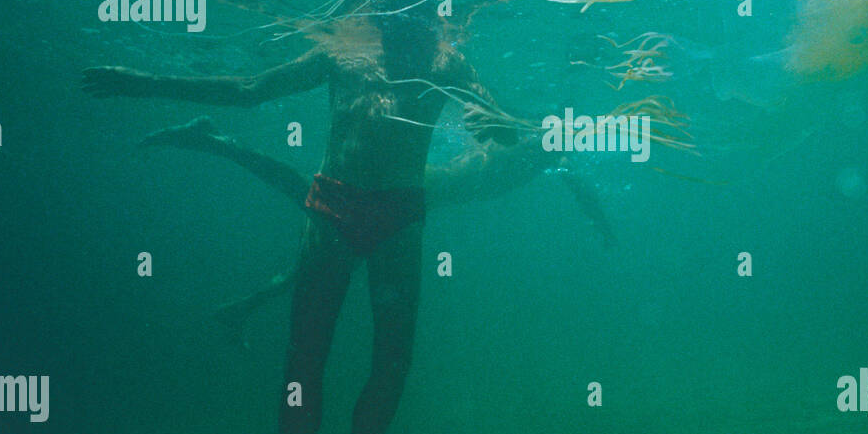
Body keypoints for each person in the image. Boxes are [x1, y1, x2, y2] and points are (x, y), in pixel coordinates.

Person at [83, 17, 517, 434]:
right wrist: (145, 82)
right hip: (338, 206)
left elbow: (505, 127)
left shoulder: (448, 61)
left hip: (394, 214)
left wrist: (496, 125)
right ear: (384, 10)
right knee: (308, 357)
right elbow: (251, 89)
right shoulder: (345, 50)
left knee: (386, 359)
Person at [135, 115, 618, 346]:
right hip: (399, 192)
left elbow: (581, 190)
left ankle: (243, 308)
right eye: (564, 139)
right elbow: (474, 121)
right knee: (311, 201)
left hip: (406, 203)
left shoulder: (549, 157)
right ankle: (217, 140)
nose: (564, 149)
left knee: (332, 249)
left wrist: (602, 226)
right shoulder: (523, 137)